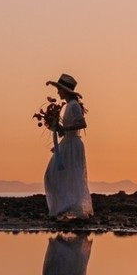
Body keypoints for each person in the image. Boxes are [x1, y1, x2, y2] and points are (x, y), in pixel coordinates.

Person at [42, 73, 92, 220]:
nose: (58, 92)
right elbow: (68, 128)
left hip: (73, 144)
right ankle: (64, 206)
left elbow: (82, 124)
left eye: (59, 89)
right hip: (68, 143)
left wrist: (65, 129)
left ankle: (69, 207)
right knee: (54, 174)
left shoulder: (74, 105)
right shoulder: (69, 106)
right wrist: (57, 126)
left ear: (65, 91)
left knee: (70, 175)